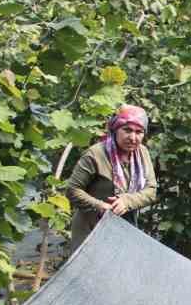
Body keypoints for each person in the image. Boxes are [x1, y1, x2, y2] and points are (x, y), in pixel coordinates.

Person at [63, 104, 158, 255]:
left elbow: (151, 190)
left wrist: (127, 201)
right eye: (127, 130)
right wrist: (100, 206)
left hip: (124, 227)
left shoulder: (142, 153)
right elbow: (72, 190)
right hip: (92, 229)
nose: (133, 138)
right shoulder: (95, 154)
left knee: (120, 265)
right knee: (91, 267)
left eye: (139, 132)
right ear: (115, 129)